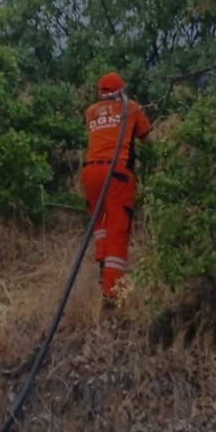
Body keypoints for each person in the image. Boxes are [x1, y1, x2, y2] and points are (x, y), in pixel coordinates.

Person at [81, 72, 152, 299]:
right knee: (118, 228)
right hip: (116, 173)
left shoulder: (90, 112)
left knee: (100, 223)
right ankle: (112, 291)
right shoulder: (131, 108)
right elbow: (148, 139)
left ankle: (102, 267)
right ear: (121, 90)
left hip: (90, 173)